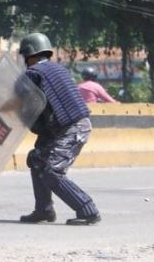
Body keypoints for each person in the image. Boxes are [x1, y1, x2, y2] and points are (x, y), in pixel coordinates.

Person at [18, 32, 101, 225]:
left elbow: (17, 97)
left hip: (73, 128)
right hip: (64, 127)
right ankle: (44, 210)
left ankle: (88, 210)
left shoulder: (34, 74)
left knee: (52, 171)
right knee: (36, 159)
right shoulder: (58, 70)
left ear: (29, 55)